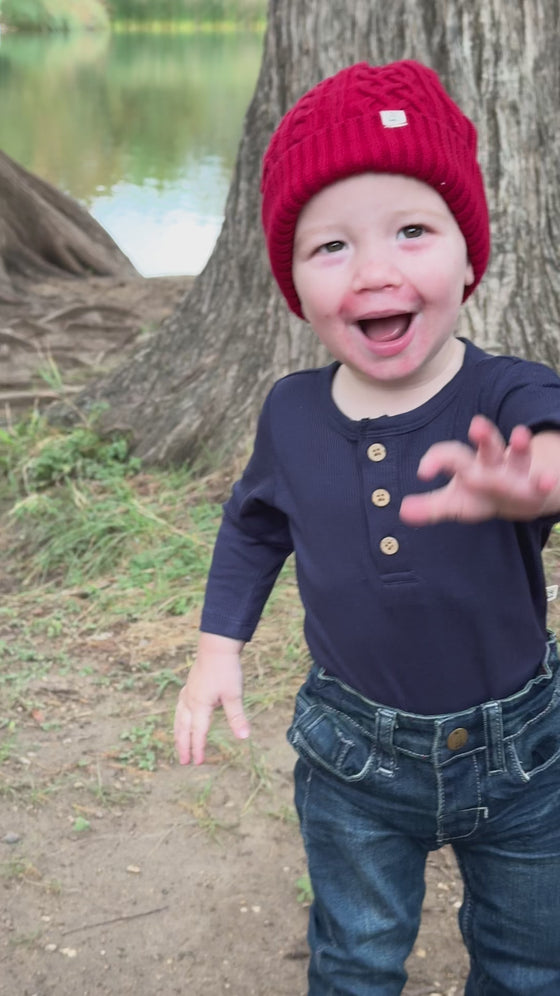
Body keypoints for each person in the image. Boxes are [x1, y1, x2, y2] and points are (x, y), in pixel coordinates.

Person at [174, 60, 560, 994]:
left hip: (521, 752)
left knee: (530, 960)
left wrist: (540, 473)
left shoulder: (503, 390)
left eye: (413, 231)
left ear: (471, 259)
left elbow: (551, 430)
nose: (377, 270)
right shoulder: (293, 411)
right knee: (353, 958)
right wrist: (217, 646)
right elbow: (254, 525)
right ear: (294, 287)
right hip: (353, 754)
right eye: (331, 247)